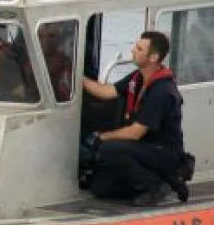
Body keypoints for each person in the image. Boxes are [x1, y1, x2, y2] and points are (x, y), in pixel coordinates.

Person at [80, 30, 188, 206]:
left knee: (109, 149)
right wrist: (79, 78)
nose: (132, 50)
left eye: (139, 48)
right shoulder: (137, 78)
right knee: (100, 187)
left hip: (163, 151)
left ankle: (156, 186)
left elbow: (135, 132)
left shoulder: (162, 91)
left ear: (153, 57)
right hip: (144, 147)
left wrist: (101, 137)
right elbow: (107, 91)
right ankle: (154, 182)